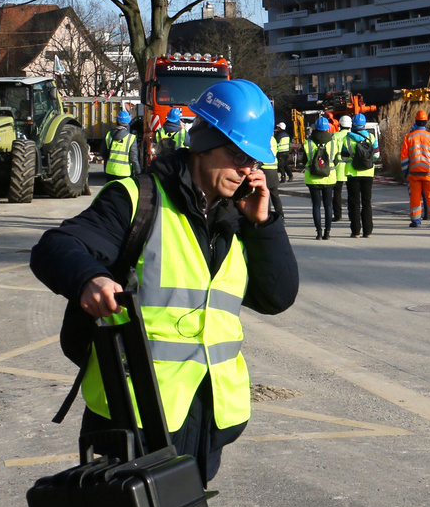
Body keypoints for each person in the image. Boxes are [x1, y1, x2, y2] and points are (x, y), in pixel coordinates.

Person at [30, 78, 298, 486]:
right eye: (239, 155)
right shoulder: (139, 199)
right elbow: (57, 246)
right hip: (134, 413)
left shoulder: (237, 216)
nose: (248, 169)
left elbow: (277, 297)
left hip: (206, 413)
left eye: (254, 161)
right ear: (205, 142)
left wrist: (264, 226)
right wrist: (90, 278)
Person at [400, 109, 430, 228]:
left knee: (415, 197)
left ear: (416, 121)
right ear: (426, 121)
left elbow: (404, 157)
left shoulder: (408, 138)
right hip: (428, 173)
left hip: (413, 173)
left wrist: (405, 171)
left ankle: (416, 221)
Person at [304, 116, 339, 240]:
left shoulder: (307, 143)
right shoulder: (333, 142)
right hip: (329, 178)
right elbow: (336, 160)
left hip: (312, 179)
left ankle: (318, 233)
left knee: (316, 206)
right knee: (328, 205)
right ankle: (327, 232)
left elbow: (304, 160)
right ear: (327, 129)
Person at [344, 113, 378, 237]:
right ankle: (368, 231)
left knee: (354, 203)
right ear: (364, 124)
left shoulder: (347, 138)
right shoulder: (372, 137)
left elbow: (343, 156)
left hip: (352, 173)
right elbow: (377, 155)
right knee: (366, 202)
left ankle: (355, 231)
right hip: (368, 173)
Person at [104, 110, 140, 181]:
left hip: (110, 172)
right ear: (128, 123)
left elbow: (104, 153)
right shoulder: (131, 138)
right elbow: (133, 158)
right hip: (125, 173)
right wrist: (138, 172)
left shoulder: (109, 135)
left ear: (117, 121)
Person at [260, 125, 284, 218]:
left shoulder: (262, 139)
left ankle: (267, 216)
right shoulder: (273, 139)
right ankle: (281, 216)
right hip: (273, 169)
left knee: (265, 195)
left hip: (264, 169)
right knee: (275, 195)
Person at [332, 115, 352, 223]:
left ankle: (337, 215)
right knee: (351, 193)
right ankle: (351, 214)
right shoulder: (352, 136)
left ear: (340, 125)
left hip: (338, 168)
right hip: (351, 169)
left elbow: (332, 152)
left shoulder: (335, 137)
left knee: (337, 193)